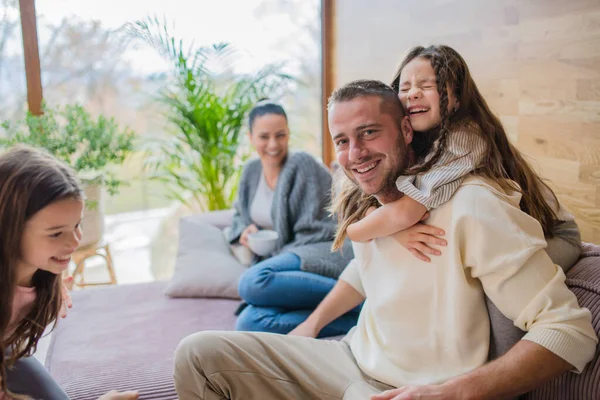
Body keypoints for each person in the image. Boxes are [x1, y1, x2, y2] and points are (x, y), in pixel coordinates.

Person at [173, 80, 597, 400]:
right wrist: (311, 325)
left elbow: (569, 329)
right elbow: (364, 271)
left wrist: (452, 392)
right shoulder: (367, 208)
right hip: (348, 361)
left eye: (370, 132)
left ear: (406, 131)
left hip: (418, 387)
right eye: (342, 140)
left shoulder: (472, 205)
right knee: (197, 353)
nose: (355, 152)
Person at [350, 45, 582, 358]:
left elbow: (408, 210)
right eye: (404, 87)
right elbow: (370, 204)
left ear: (456, 97)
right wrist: (386, 227)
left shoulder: (467, 138)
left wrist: (378, 230)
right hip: (503, 233)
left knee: (498, 294)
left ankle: (503, 377)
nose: (413, 94)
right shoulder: (410, 140)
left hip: (554, 232)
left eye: (427, 86)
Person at [0, 145, 138, 400]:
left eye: (78, 225)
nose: (75, 241)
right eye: (56, 233)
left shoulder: (41, 275)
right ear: (10, 229)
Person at [230, 100, 356, 337]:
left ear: (288, 133)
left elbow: (317, 230)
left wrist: (276, 256)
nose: (273, 144)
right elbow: (238, 216)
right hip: (286, 263)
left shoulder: (301, 164)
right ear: (251, 137)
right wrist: (244, 231)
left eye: (281, 135)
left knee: (252, 282)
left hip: (321, 250)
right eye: (264, 137)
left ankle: (356, 297)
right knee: (249, 322)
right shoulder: (250, 172)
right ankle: (353, 319)